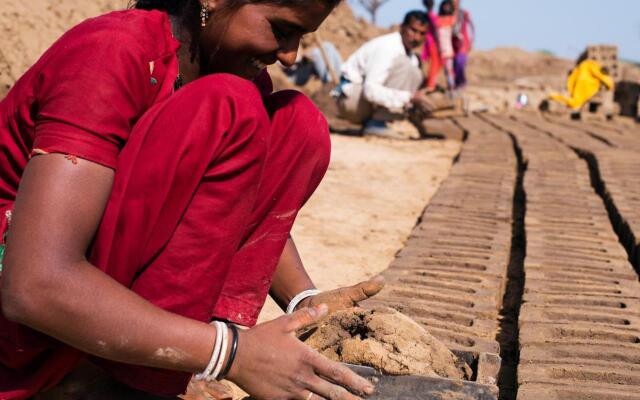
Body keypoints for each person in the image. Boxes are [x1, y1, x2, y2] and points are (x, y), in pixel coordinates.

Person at [0, 0, 386, 399]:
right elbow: (36, 284)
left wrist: (305, 304)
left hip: (90, 276)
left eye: (301, 37)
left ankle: (157, 366)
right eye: (281, 29)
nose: (290, 56)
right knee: (231, 106)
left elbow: (233, 212)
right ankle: (106, 374)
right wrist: (230, 354)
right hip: (20, 324)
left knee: (296, 124)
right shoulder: (113, 52)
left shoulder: (236, 75)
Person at [334, 10, 429, 137]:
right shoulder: (388, 48)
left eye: (422, 33)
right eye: (413, 30)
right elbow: (370, 90)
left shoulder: (412, 57)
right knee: (406, 67)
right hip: (352, 99)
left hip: (367, 102)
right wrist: (409, 97)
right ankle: (378, 123)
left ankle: (385, 120)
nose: (416, 37)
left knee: (416, 72)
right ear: (402, 28)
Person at [549, 59, 615, 110]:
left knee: (574, 102)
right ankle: (554, 96)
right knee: (574, 103)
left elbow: (609, 84)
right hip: (581, 87)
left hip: (581, 85)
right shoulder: (599, 74)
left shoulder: (591, 66)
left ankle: (555, 96)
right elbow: (609, 84)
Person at [452, 0, 475, 88]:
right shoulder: (448, 13)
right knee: (454, 65)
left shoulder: (464, 13)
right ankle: (456, 85)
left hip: (463, 44)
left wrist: (472, 40)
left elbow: (471, 26)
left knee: (460, 63)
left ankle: (461, 83)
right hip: (452, 44)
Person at [421, 0, 442, 91]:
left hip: (427, 41)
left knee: (430, 63)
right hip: (433, 42)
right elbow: (435, 30)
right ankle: (430, 84)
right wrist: (439, 43)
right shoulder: (432, 16)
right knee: (435, 63)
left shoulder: (424, 15)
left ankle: (429, 82)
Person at [436, 0, 457, 91]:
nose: (446, 8)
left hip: (447, 49)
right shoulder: (437, 20)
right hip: (438, 49)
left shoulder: (452, 19)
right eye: (445, 6)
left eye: (448, 6)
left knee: (449, 70)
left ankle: (451, 87)